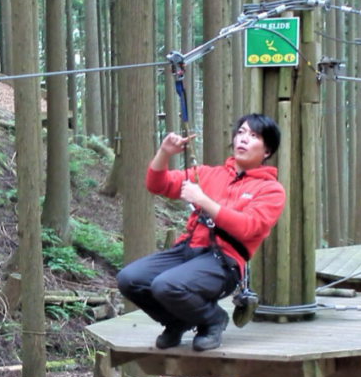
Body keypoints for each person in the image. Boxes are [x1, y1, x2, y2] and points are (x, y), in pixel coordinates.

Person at [116, 113, 286, 352]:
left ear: (267, 151)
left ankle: (213, 319)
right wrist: (164, 152)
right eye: (241, 133)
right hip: (187, 249)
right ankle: (176, 321)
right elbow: (157, 184)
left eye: (254, 135)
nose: (244, 139)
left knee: (166, 285)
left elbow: (248, 226)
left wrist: (203, 200)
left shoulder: (270, 190)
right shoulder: (208, 174)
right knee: (129, 279)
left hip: (223, 263)